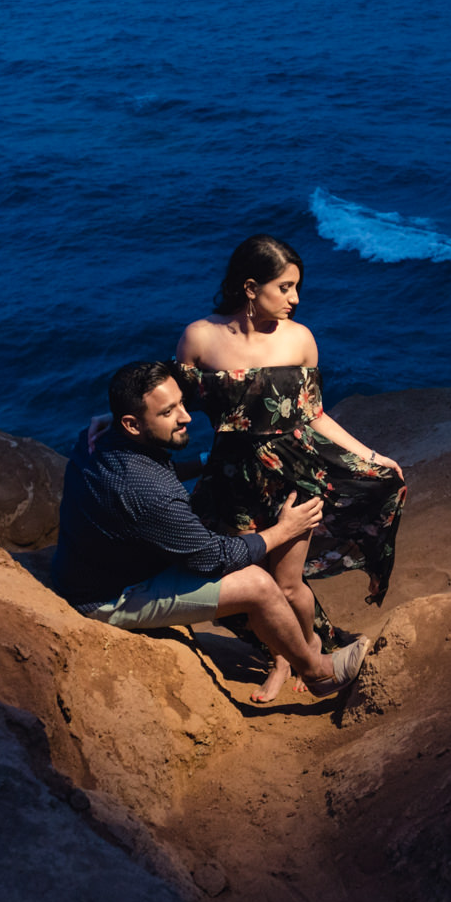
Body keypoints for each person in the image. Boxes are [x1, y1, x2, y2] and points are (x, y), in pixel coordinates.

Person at [174, 233, 407, 702]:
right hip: (231, 480)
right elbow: (171, 403)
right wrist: (115, 420)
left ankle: (292, 658)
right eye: (285, 287)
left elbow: (314, 415)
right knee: (237, 576)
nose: (295, 299)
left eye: (297, 287)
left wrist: (373, 457)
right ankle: (294, 648)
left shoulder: (300, 340)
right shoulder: (200, 337)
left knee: (286, 581)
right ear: (249, 287)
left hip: (294, 477)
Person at [51, 359, 369, 699]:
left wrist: (208, 461)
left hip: (91, 566)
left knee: (240, 536)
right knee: (258, 585)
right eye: (168, 412)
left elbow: (156, 473)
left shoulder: (96, 439)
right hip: (108, 597)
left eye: (181, 404)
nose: (186, 417)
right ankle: (317, 672)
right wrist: (285, 529)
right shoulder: (146, 490)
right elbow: (213, 559)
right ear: (131, 424)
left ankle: (284, 657)